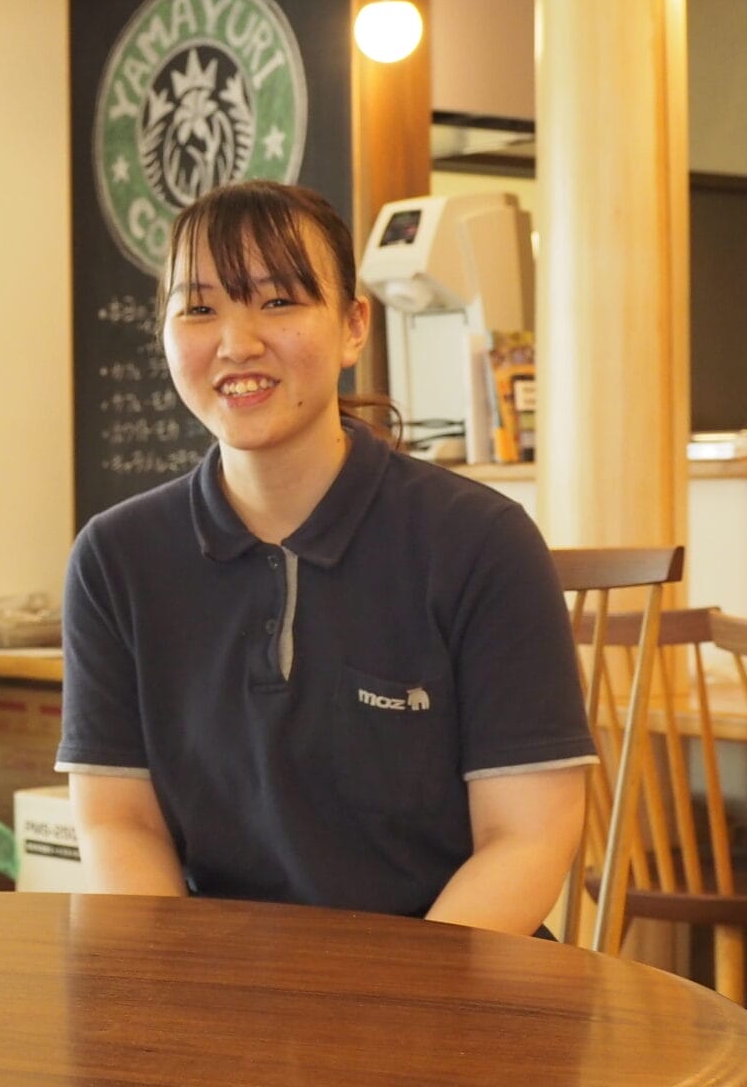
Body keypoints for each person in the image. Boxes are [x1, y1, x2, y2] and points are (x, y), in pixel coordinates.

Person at [58, 180, 593, 935]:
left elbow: (526, 839)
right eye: (200, 309)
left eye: (278, 301)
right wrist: (176, 988)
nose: (237, 343)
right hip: (218, 983)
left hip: (449, 980)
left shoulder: (481, 543)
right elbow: (121, 826)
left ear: (352, 327)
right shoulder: (116, 558)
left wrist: (389, 999)